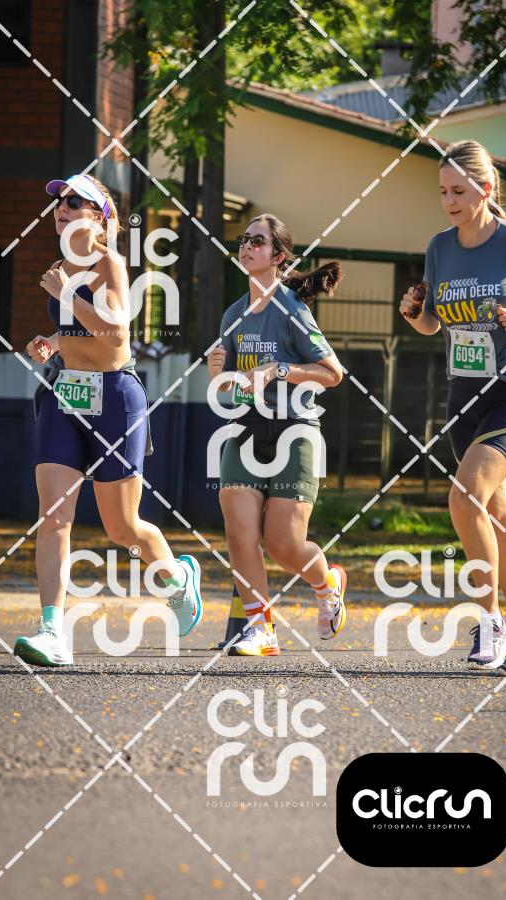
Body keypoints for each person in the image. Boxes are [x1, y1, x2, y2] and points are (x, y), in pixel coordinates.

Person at [400, 139, 506, 677]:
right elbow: (432, 321)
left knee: (464, 496)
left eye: (459, 191)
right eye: (443, 192)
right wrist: (415, 314)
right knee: (498, 523)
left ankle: (490, 621)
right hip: (464, 398)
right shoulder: (439, 247)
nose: (449, 201)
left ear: (486, 188)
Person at [14, 174, 202, 667]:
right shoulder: (60, 268)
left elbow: (116, 334)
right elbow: (79, 330)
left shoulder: (108, 264)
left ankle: (177, 577)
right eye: (60, 201)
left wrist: (66, 295)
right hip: (66, 396)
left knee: (122, 527)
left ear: (99, 219)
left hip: (115, 399)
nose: (62, 207)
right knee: (54, 516)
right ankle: (52, 631)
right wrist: (52, 343)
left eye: (75, 201)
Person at [207, 214, 346, 657]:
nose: (247, 247)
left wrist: (279, 370)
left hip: (294, 429)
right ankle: (260, 628)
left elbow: (333, 374)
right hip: (247, 428)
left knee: (283, 544)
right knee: (238, 531)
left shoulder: (292, 310)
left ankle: (327, 583)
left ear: (279, 256)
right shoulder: (233, 314)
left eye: (258, 242)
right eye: (244, 240)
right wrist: (219, 375)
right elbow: (229, 385)